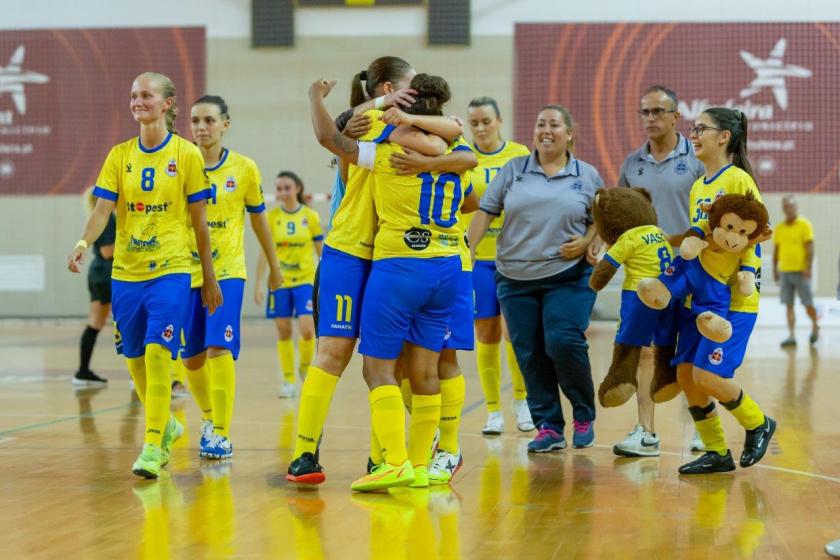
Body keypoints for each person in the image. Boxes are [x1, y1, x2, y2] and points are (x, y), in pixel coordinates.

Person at [285, 58, 464, 486]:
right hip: (351, 250)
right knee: (335, 352)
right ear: (388, 88)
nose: (417, 95)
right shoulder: (366, 126)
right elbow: (334, 132)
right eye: (409, 87)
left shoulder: (419, 133)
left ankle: (385, 458)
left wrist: (435, 165)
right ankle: (304, 453)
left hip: (398, 258)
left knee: (395, 362)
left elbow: (458, 150)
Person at [67, 72, 222, 479]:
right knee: (133, 357)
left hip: (170, 269)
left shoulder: (186, 155)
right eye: (134, 94)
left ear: (167, 103)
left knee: (158, 354)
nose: (138, 101)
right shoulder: (119, 155)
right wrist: (83, 245)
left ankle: (153, 444)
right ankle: (166, 424)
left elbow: (200, 225)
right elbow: (102, 210)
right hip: (125, 273)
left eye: (146, 95)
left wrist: (208, 277)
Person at [468, 104, 602, 453]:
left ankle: (583, 414)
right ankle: (549, 427)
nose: (546, 130)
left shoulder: (586, 174)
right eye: (540, 123)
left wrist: (588, 241)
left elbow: (603, 217)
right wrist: (465, 253)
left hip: (568, 275)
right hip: (514, 277)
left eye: (555, 124)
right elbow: (486, 211)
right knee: (528, 352)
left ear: (569, 133)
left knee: (561, 340)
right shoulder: (514, 170)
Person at [671, 107, 776, 475]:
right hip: (700, 299)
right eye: (693, 128)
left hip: (734, 300)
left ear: (724, 137)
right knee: (686, 374)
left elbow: (759, 233)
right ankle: (716, 450)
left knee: (709, 376)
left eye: (701, 128)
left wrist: (745, 276)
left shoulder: (738, 180)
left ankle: (758, 422)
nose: (693, 134)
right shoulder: (700, 185)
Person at [180, 94, 282, 460]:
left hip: (227, 273)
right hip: (182, 271)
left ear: (226, 124)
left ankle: (220, 432)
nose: (201, 128)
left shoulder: (243, 169)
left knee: (218, 347)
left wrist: (274, 265)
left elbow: (258, 220)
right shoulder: (179, 165)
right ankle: (209, 417)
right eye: (195, 121)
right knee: (190, 357)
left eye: (209, 120)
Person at [613, 85, 705, 457]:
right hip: (646, 276)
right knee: (646, 352)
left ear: (675, 116)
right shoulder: (632, 163)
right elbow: (619, 215)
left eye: (657, 112)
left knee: (691, 350)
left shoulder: (697, 160)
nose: (650, 118)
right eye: (644, 112)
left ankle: (703, 424)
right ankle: (646, 432)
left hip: (692, 271)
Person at [461, 96, 534, 435]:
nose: (480, 128)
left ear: (499, 121)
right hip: (477, 261)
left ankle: (522, 403)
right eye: (474, 122)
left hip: (513, 258)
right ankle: (493, 410)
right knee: (485, 332)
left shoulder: (520, 156)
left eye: (486, 121)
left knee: (513, 331)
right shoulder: (461, 157)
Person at [255, 171, 323, 397]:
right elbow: (265, 253)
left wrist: (326, 282)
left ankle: (304, 366)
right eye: (279, 188)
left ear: (298, 189)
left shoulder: (310, 217)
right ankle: (287, 381)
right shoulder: (272, 218)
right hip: (280, 281)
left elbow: (320, 252)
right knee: (283, 331)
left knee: (306, 330)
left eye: (287, 187)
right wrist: (258, 283)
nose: (283, 192)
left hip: (305, 280)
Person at [73, 187, 116, 386]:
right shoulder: (106, 218)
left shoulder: (104, 218)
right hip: (107, 271)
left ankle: (82, 372)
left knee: (96, 322)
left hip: (98, 271)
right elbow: (108, 251)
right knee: (127, 321)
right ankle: (137, 375)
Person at [773, 195, 818, 347]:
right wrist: (775, 269)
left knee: (808, 304)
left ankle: (815, 326)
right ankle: (792, 336)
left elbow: (810, 248)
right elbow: (776, 250)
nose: (789, 209)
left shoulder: (804, 225)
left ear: (796, 207)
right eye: (786, 206)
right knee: (788, 304)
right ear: (783, 208)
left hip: (801, 272)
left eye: (791, 206)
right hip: (785, 272)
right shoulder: (779, 228)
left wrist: (808, 267)